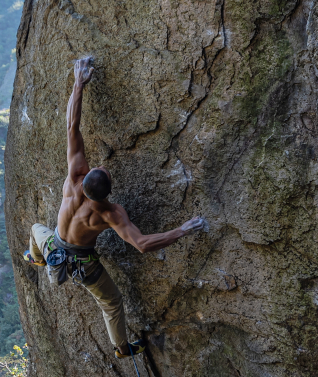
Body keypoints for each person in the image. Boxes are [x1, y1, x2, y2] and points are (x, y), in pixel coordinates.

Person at [23, 57, 205, 358]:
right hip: (83, 263)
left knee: (34, 229)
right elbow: (143, 244)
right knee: (112, 302)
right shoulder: (109, 213)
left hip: (54, 240)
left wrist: (78, 82)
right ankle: (121, 348)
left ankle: (40, 257)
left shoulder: (74, 178)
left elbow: (72, 127)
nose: (103, 166)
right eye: (105, 170)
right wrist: (183, 230)